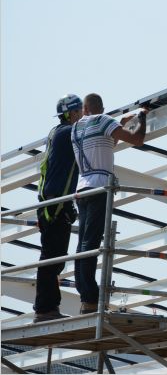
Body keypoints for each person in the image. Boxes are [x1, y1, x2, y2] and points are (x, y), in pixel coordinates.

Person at [71, 93, 148, 314]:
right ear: (100, 108)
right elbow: (137, 139)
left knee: (82, 245)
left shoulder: (76, 129)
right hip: (99, 186)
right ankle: (91, 298)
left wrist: (120, 123)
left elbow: (106, 144)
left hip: (82, 189)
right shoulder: (103, 120)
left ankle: (86, 297)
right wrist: (141, 117)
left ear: (84, 109)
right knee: (91, 244)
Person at [32, 94, 84, 323]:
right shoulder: (68, 133)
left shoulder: (57, 132)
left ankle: (47, 307)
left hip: (53, 202)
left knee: (54, 258)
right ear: (73, 113)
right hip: (55, 203)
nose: (83, 115)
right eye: (80, 112)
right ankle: (44, 309)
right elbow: (94, 134)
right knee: (52, 259)